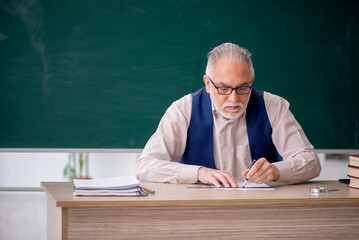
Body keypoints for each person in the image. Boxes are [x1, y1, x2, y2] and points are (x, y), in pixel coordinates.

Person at [136, 42, 321, 187]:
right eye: (223, 88)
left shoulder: (274, 106)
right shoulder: (183, 110)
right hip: (197, 210)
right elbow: (145, 167)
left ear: (252, 80)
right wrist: (199, 173)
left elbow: (311, 163)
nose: (234, 99)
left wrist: (276, 171)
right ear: (208, 84)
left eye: (243, 87)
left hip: (260, 210)